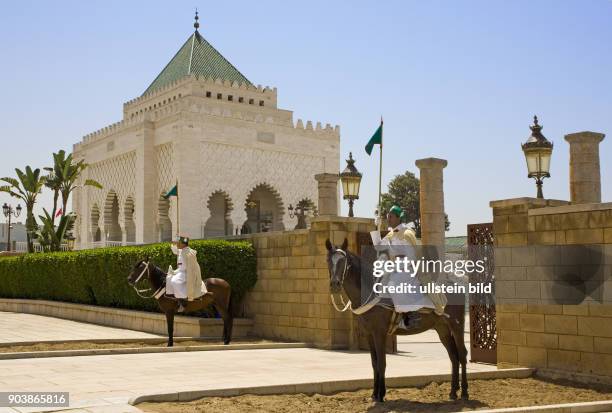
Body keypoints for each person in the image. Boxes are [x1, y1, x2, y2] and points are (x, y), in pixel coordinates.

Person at [380, 205, 447, 329]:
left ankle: (411, 316)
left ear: (398, 218)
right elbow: (380, 247)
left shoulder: (407, 233)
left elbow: (411, 256)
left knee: (396, 284)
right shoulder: (390, 235)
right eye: (387, 217)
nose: (388, 219)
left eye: (391, 216)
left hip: (408, 268)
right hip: (394, 267)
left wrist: (398, 266)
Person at [166, 236, 207, 312]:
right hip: (180, 271)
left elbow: (191, 267)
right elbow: (175, 250)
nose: (177, 244)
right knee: (168, 278)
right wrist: (173, 242)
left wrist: (182, 273)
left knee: (175, 281)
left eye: (179, 242)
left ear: (183, 244)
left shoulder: (189, 252)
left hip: (187, 272)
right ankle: (174, 298)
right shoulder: (182, 250)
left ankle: (183, 301)